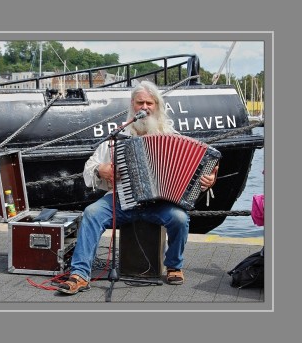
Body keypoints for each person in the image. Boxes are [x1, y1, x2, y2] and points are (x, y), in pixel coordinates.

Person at [56, 81, 219, 295]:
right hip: (121, 199)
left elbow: (197, 175)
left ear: (157, 106)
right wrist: (101, 170)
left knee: (179, 218)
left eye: (149, 103)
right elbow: (89, 168)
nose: (144, 107)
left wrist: (209, 181)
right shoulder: (118, 137)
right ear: (132, 105)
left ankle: (173, 265)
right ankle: (80, 274)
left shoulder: (173, 137)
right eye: (140, 102)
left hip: (159, 204)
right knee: (92, 213)